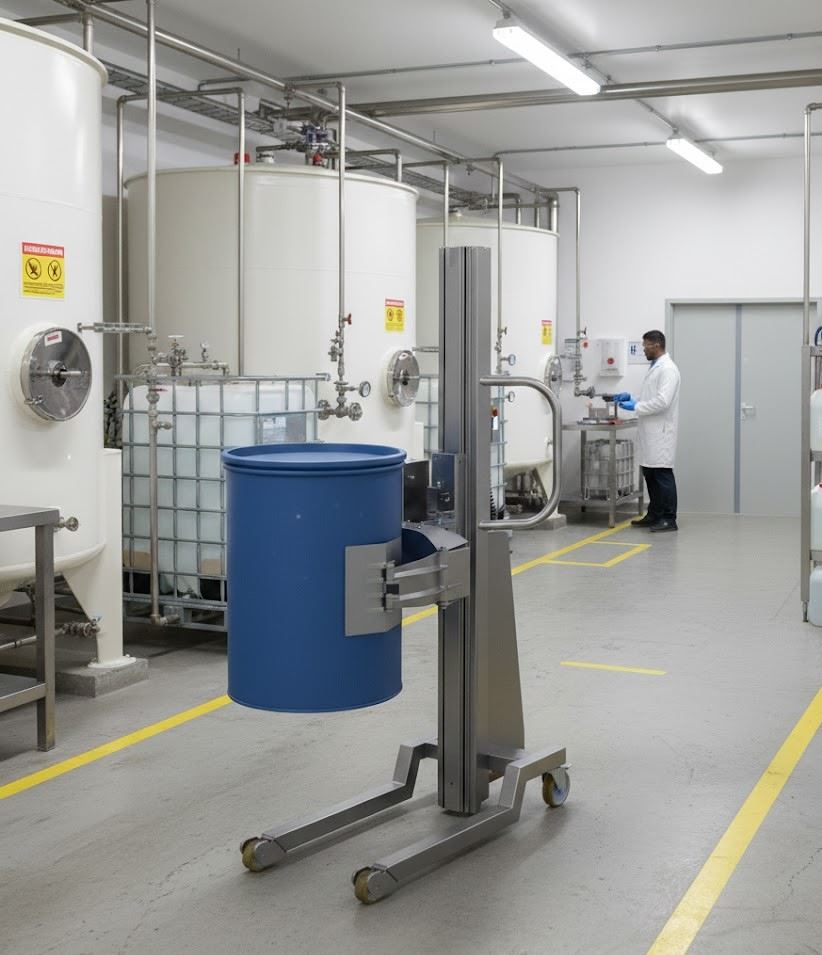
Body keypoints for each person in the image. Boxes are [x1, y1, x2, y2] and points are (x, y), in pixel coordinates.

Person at [614, 330, 681, 532]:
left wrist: (636, 406)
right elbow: (649, 396)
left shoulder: (668, 369)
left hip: (661, 433)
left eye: (645, 345)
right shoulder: (655, 367)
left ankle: (669, 518)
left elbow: (662, 401)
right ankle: (654, 514)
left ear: (656, 345)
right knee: (650, 473)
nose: (643, 349)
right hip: (650, 432)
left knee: (662, 475)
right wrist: (632, 398)